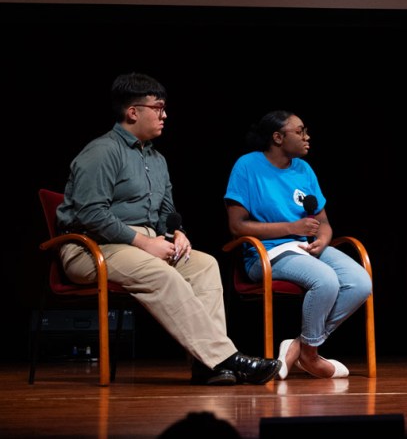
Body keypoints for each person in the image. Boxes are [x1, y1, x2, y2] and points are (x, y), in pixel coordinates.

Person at [56, 73, 282, 385]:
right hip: (89, 248)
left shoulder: (156, 159)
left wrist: (177, 233)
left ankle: (207, 366)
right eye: (158, 108)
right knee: (160, 272)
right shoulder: (102, 152)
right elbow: (91, 213)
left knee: (204, 265)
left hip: (137, 246)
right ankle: (226, 357)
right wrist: (144, 242)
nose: (165, 115)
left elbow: (165, 212)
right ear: (133, 112)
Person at [224, 111, 373, 379]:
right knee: (326, 280)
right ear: (278, 138)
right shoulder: (247, 166)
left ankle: (301, 347)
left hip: (304, 248)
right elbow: (237, 226)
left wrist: (322, 240)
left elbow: (323, 222)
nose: (307, 137)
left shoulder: (304, 169)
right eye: (300, 131)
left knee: (360, 282)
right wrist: (291, 228)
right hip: (266, 252)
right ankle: (311, 355)